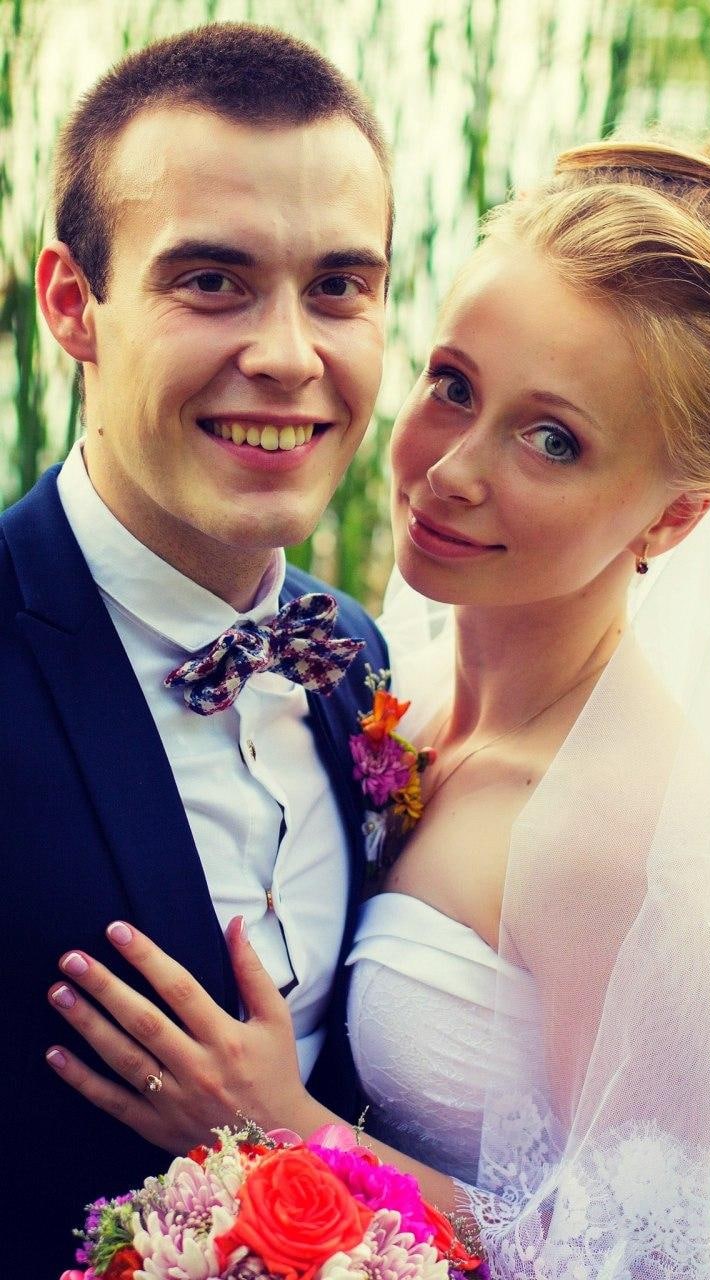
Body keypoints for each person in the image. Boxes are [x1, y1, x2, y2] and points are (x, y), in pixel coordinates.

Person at [45, 139, 710, 1277]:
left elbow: (643, 1263)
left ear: (674, 517)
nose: (451, 470)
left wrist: (284, 1126)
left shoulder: (621, 840)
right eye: (453, 385)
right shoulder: (377, 679)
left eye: (552, 439)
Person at [0, 23, 396, 1275]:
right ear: (74, 303)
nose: (288, 355)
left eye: (339, 286)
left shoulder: (358, 655)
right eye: (213, 280)